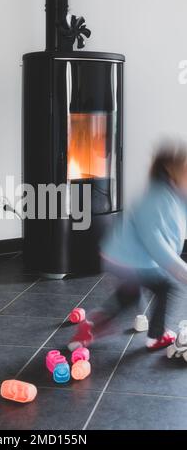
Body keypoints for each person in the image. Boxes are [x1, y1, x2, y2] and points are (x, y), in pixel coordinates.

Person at [69, 140, 187, 351]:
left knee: (129, 296)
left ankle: (91, 326)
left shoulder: (173, 195)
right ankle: (156, 337)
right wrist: (179, 268)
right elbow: (154, 241)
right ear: (172, 174)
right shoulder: (155, 199)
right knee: (165, 288)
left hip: (126, 258)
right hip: (130, 261)